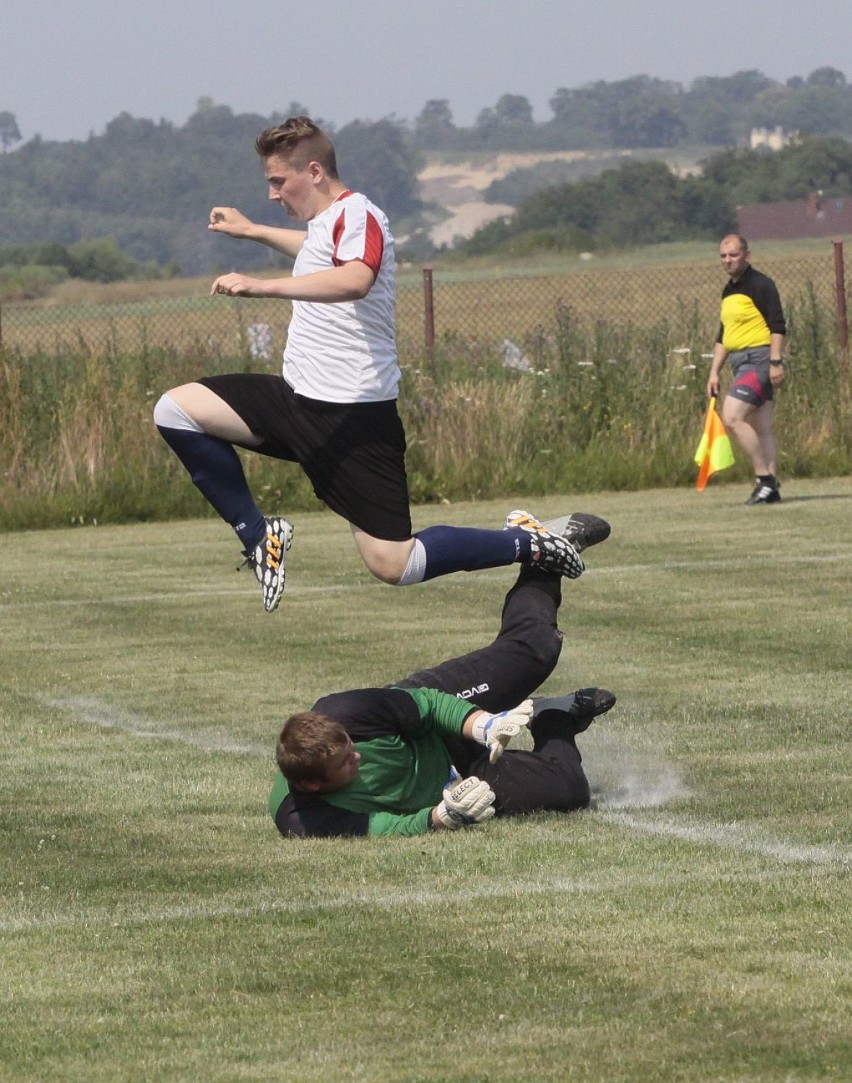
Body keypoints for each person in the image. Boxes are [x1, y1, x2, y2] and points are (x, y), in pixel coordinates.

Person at [154, 116, 584, 611]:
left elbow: (354, 278)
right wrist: (252, 232)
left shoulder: (359, 214)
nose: (273, 193)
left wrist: (261, 285)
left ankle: (525, 541)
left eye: (278, 181)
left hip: (353, 415)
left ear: (313, 171)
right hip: (296, 399)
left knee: (394, 564)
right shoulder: (328, 225)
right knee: (175, 410)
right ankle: (259, 535)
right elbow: (316, 251)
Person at [268, 512, 615, 838]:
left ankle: (544, 546)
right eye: (345, 761)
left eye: (349, 747)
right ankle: (553, 718)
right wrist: (443, 816)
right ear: (312, 785)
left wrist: (485, 725)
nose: (355, 755)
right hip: (452, 777)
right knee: (570, 791)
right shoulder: (301, 818)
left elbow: (429, 704)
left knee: (534, 652)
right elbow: (381, 826)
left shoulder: (344, 713)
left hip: (429, 720)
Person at [706, 234, 787, 505]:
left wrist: (775, 362)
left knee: (732, 416)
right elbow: (723, 335)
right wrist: (714, 372)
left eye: (733, 255)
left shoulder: (761, 285)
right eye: (723, 256)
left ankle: (764, 479)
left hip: (760, 360)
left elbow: (777, 325)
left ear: (747, 256)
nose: (728, 260)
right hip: (739, 361)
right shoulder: (728, 290)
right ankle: (771, 490)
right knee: (760, 425)